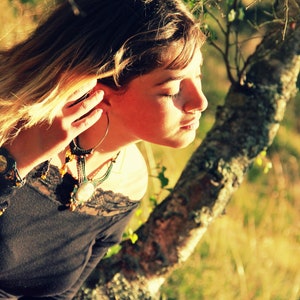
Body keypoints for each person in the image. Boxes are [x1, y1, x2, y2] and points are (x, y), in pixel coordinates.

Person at [0, 0, 208, 298]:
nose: (201, 102)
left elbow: (60, 294)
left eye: (199, 74)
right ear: (98, 89)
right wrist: (17, 159)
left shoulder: (128, 183)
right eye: (173, 89)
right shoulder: (9, 122)